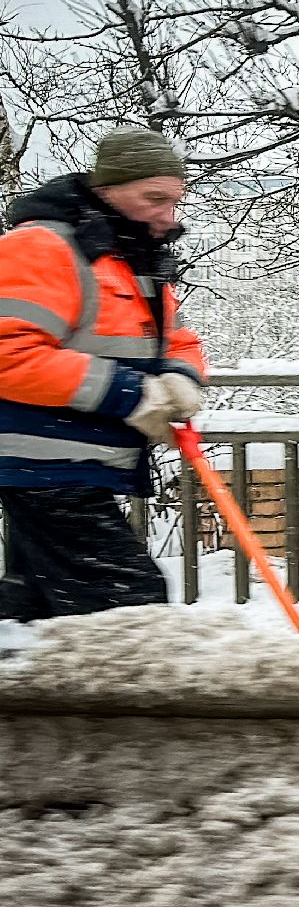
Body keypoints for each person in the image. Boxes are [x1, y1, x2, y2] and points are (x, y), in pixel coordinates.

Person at [0, 127, 207, 622]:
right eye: (152, 198)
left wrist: (180, 378)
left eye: (174, 201)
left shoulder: (130, 260)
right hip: (40, 461)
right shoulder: (44, 248)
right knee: (128, 605)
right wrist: (131, 394)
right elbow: (8, 353)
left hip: (78, 462)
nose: (167, 215)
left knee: (34, 612)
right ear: (108, 189)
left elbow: (176, 339)